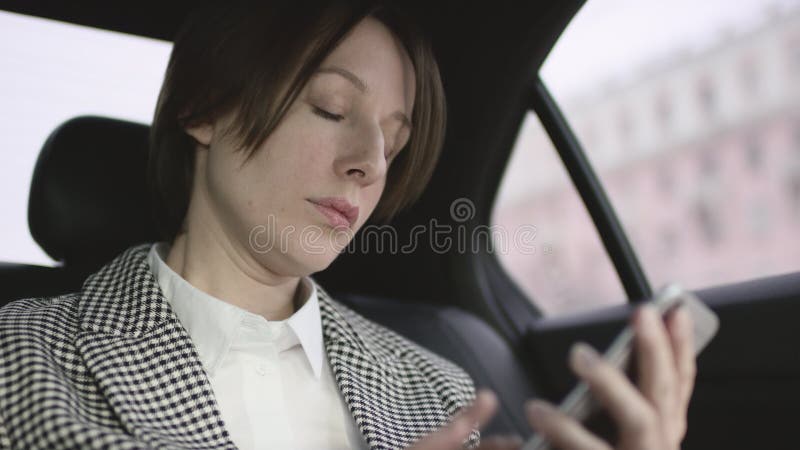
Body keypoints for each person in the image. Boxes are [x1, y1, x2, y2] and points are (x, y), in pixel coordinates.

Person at [0, 1, 696, 449]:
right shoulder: (22, 355)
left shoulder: (441, 388)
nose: (369, 164)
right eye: (332, 109)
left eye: (393, 143)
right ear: (205, 108)